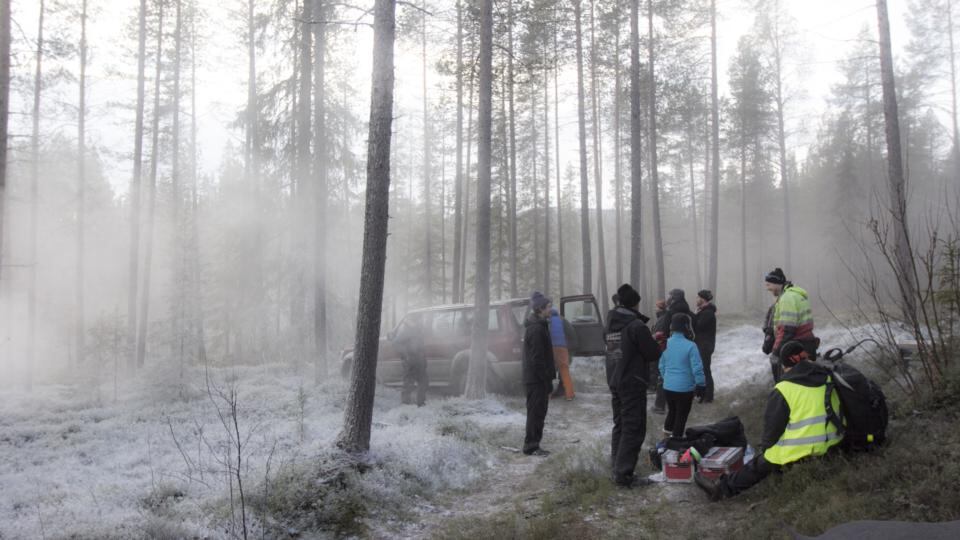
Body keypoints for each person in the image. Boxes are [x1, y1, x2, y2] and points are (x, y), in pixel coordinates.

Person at [694, 341, 843, 501]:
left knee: (766, 459)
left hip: (810, 449)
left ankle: (721, 489)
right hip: (833, 440)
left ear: (785, 365)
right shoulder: (828, 376)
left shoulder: (784, 389)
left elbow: (771, 433)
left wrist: (765, 450)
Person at [607, 284, 661, 487]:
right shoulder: (637, 326)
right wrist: (654, 341)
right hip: (632, 382)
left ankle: (617, 467)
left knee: (620, 424)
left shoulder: (612, 323)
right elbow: (652, 353)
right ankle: (624, 474)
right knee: (633, 427)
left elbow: (620, 350)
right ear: (635, 303)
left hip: (615, 379)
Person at [763, 268, 819, 383]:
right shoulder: (797, 295)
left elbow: (787, 329)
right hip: (807, 345)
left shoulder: (787, 298)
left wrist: (776, 352)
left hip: (794, 347)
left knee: (788, 384)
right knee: (806, 382)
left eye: (769, 285)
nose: (767, 288)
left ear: (777, 283)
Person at [659, 313, 706, 437]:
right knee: (681, 416)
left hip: (668, 387)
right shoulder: (691, 346)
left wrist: (668, 379)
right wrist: (701, 384)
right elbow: (697, 368)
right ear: (687, 327)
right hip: (685, 389)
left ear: (671, 327)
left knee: (672, 412)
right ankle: (675, 443)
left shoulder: (665, 343)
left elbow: (661, 366)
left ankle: (665, 442)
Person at [522, 291, 556, 456]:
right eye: (549, 307)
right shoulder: (536, 329)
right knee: (535, 412)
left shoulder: (540, 325)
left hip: (538, 378)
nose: (551, 309)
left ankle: (534, 444)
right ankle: (531, 446)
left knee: (539, 412)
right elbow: (537, 359)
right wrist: (546, 380)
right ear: (540, 309)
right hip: (536, 380)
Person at [651, 289, 695, 413]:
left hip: (670, 346)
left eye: (670, 296)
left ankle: (660, 405)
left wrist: (658, 342)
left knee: (664, 374)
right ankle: (680, 403)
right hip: (686, 346)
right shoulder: (688, 312)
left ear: (674, 298)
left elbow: (662, 330)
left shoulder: (670, 313)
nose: (668, 298)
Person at [395, 314, 428, 406]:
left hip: (419, 360)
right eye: (418, 320)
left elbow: (421, 346)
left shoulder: (417, 330)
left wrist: (424, 359)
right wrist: (406, 355)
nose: (420, 322)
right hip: (410, 361)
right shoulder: (405, 331)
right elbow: (396, 343)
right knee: (408, 383)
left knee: (424, 382)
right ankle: (405, 404)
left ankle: (421, 404)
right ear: (413, 321)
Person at [549, 307, 579, 400]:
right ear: (557, 313)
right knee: (564, 371)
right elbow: (572, 333)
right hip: (562, 348)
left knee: (549, 372)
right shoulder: (563, 321)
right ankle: (569, 395)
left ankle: (548, 394)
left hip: (552, 349)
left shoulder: (547, 321)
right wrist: (572, 347)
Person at [694, 290, 717, 403]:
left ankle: (708, 396)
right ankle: (703, 395)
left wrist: (695, 316)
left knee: (705, 370)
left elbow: (698, 326)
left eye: (698, 297)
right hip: (702, 344)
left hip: (705, 345)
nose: (696, 299)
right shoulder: (704, 311)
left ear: (702, 299)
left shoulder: (707, 313)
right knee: (702, 370)